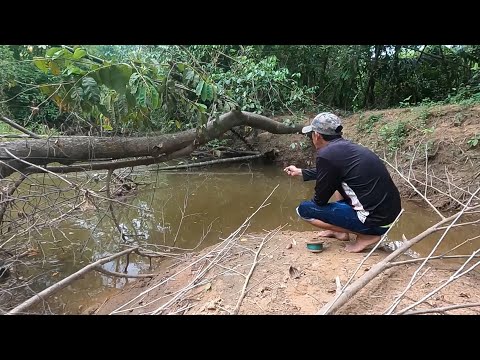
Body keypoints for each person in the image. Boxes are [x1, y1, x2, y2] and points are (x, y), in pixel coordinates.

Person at [284, 112, 402, 253]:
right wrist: (301, 172)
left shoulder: (326, 155)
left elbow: (320, 200)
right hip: (389, 216)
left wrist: (324, 213)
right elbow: (333, 172)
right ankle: (341, 232)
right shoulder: (348, 148)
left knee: (304, 210)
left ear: (317, 135)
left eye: (311, 135)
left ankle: (366, 236)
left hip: (374, 222)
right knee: (339, 183)